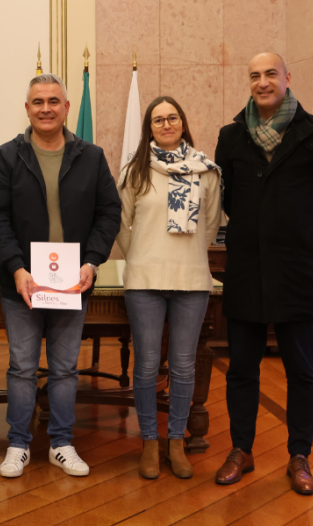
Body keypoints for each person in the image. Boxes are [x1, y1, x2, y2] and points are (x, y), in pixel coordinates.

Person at [214, 53, 313, 495]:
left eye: (270, 73)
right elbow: (230, 198)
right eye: (254, 75)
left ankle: (300, 455)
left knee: (301, 370)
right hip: (247, 271)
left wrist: (303, 228)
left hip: (297, 270)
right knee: (241, 370)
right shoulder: (231, 136)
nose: (262, 82)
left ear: (288, 79)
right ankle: (241, 450)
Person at [0, 73, 121, 478]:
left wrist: (92, 261)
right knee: (22, 367)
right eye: (37, 101)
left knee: (64, 368)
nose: (46, 108)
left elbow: (108, 213)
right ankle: (18, 444)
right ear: (27, 108)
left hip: (72, 282)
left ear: (65, 108)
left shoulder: (91, 156)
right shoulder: (5, 156)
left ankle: (61, 442)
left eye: (53, 101)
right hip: (22, 283)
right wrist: (17, 268)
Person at [116, 96, 222, 480]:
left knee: (182, 365)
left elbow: (210, 226)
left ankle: (176, 441)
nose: (165, 124)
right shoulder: (135, 170)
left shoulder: (206, 170)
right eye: (158, 119)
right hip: (144, 280)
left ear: (182, 122)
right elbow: (120, 224)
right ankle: (149, 441)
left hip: (191, 279)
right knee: (145, 366)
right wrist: (140, 256)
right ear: (149, 127)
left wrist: (186, 253)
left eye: (172, 117)